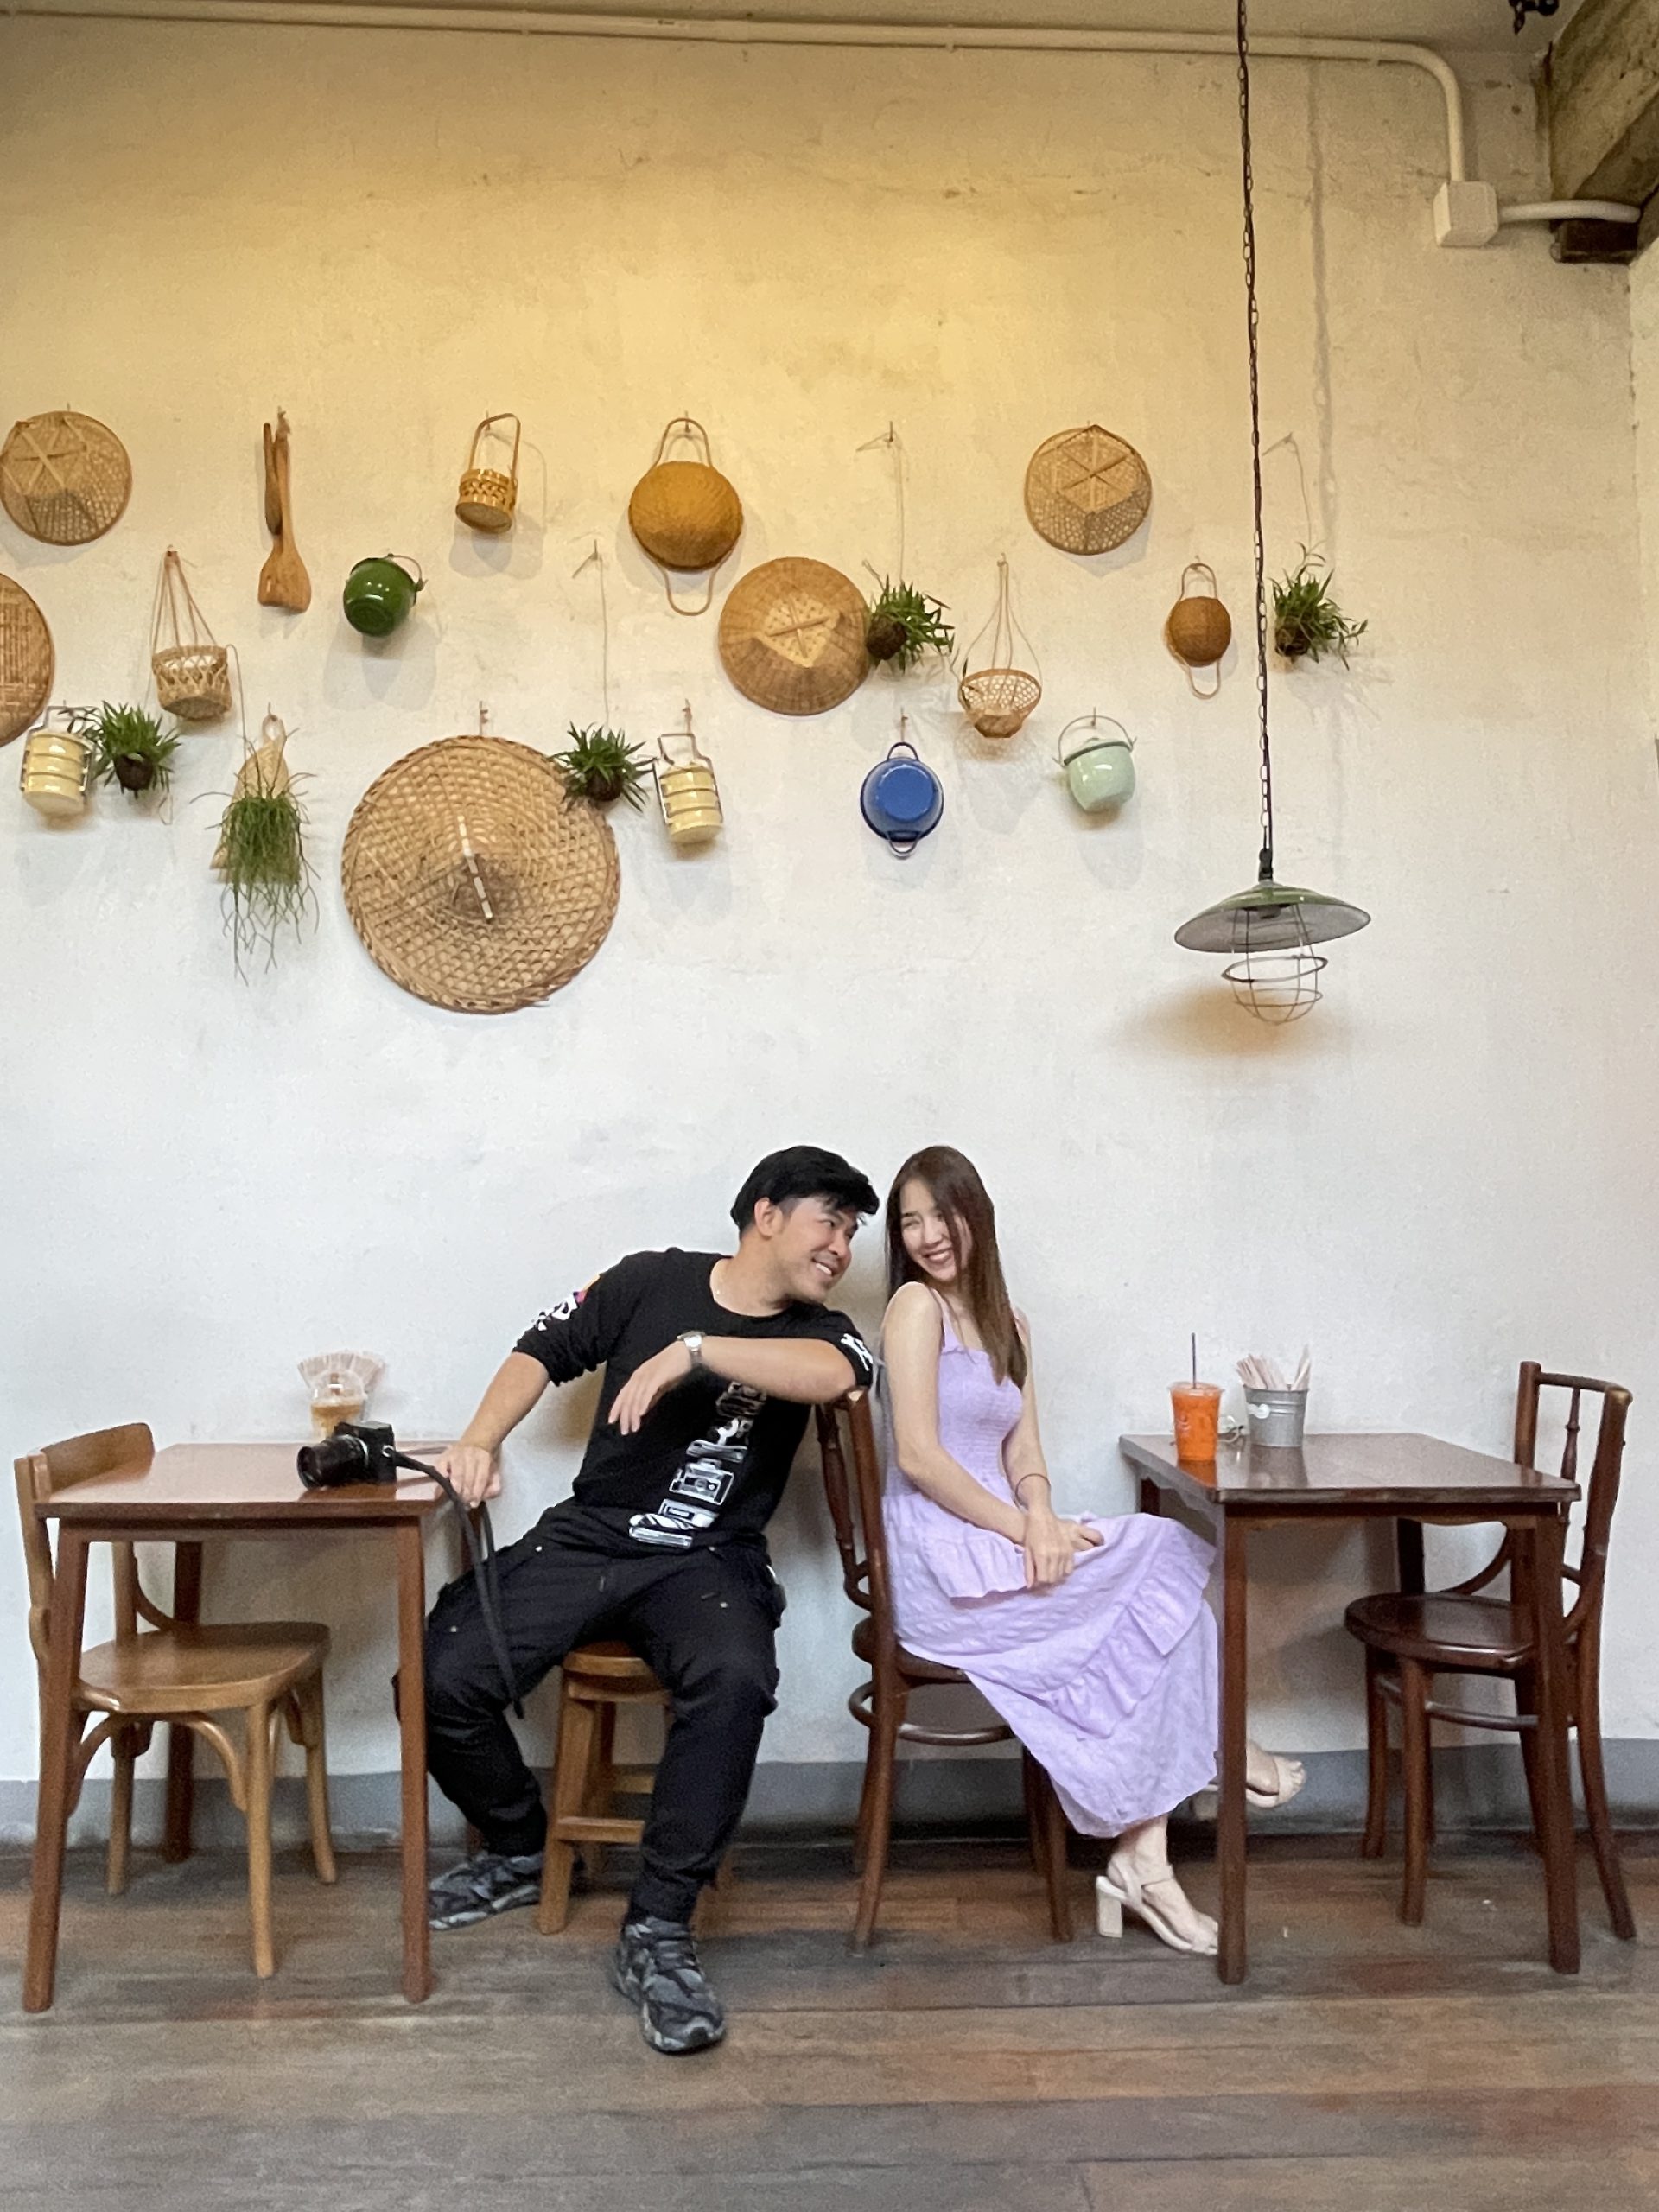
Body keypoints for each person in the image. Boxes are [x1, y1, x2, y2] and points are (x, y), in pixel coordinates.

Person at [423, 1146, 878, 2053]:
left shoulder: (822, 1332)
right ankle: (518, 1847)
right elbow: (542, 1349)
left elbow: (843, 1376)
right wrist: (478, 1440)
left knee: (735, 1681)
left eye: (853, 1232)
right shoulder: (647, 1280)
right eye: (830, 1221)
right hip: (592, 1534)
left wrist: (696, 1352)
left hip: (709, 1561)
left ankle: (659, 1926)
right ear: (766, 1214)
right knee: (439, 1671)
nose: (842, 1246)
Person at [880, 1145, 1304, 1956]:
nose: (929, 1235)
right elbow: (920, 1459)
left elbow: (1023, 1450)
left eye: (944, 1213)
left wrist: (1039, 1509)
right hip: (939, 1562)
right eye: (911, 1221)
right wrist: (1026, 1530)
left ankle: (1144, 1861)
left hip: (999, 1534)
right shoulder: (913, 1307)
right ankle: (1219, 1747)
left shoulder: (1010, 1324)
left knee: (1175, 1609)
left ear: (977, 1216)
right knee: (1161, 1547)